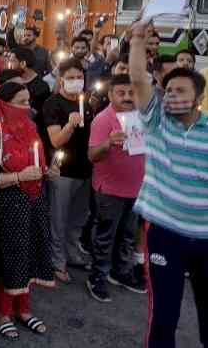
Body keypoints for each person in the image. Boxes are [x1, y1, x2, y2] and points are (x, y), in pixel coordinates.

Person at [128, 19, 208, 348]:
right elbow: (137, 78)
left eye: (181, 91)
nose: (172, 95)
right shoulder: (156, 121)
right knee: (164, 316)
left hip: (206, 240)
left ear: (198, 98)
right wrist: (136, 38)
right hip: (164, 236)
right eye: (169, 90)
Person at [0, 83, 54, 339]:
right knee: (8, 257)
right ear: (5, 105)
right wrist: (19, 176)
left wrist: (46, 171)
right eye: (21, 102)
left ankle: (24, 309)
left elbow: (37, 163)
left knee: (29, 253)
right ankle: (3, 312)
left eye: (28, 101)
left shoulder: (31, 129)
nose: (28, 107)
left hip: (33, 203)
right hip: (8, 208)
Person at [86, 74, 146, 302]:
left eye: (131, 93)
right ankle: (97, 277)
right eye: (121, 93)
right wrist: (108, 142)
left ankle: (120, 273)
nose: (128, 97)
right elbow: (92, 155)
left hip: (136, 188)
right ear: (110, 95)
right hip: (110, 190)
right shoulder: (103, 120)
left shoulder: (140, 117)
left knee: (128, 236)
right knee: (105, 236)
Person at [43, 58, 94, 282]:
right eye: (71, 78)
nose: (76, 81)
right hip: (62, 171)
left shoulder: (87, 105)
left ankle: (72, 252)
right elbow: (56, 141)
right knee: (58, 218)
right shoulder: (52, 104)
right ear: (61, 79)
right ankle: (57, 261)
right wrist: (70, 125)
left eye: (80, 77)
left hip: (85, 169)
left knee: (78, 218)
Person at [9, 47, 51, 115]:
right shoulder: (11, 81)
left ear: (23, 63)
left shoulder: (41, 87)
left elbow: (31, 114)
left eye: (12, 61)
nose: (9, 66)